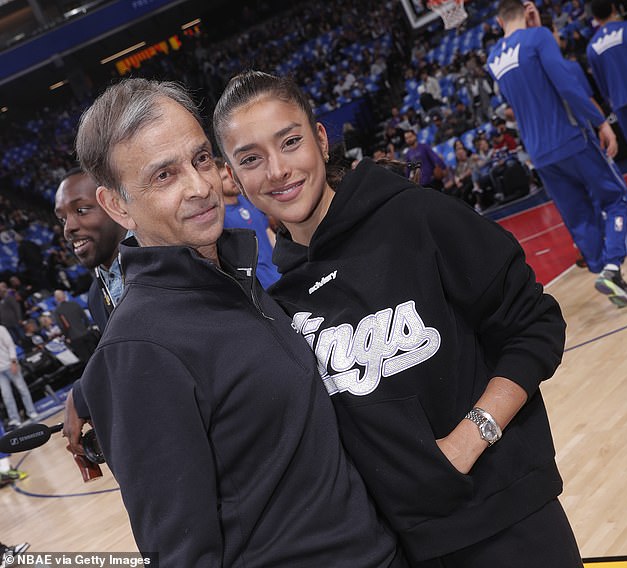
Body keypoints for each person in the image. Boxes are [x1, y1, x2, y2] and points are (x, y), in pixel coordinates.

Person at [213, 70, 580, 568]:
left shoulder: (416, 217)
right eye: (251, 159)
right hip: (401, 551)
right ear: (231, 177)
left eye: (290, 141)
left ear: (320, 139)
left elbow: (535, 324)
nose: (277, 170)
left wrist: (471, 438)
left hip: (509, 520)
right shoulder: (282, 298)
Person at [73, 77, 406, 568]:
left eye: (201, 158)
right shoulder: (139, 351)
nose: (201, 186)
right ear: (117, 205)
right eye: (164, 176)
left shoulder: (235, 280)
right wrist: (99, 380)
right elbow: (181, 553)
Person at [488, 0, 627, 308]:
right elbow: (565, 84)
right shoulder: (537, 37)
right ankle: (612, 267)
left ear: (500, 22)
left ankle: (603, 268)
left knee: (579, 215)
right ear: (525, 13)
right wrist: (600, 123)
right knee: (616, 196)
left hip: (540, 153)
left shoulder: (493, 59)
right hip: (570, 138)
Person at [54, 169, 127, 454]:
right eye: (62, 219)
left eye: (82, 210)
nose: (68, 228)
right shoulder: (97, 295)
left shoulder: (166, 258)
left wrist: (84, 392)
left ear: (116, 204)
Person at [215, 158, 280, 289]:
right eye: (224, 179)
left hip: (279, 271)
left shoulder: (247, 200)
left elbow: (267, 232)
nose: (231, 180)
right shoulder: (219, 217)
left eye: (230, 176)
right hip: (260, 284)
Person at [587, 0, 627, 153]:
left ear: (595, 17)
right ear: (614, 9)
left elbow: (601, 83)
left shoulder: (592, 47)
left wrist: (610, 101)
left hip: (620, 102)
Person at [0, 324, 38, 428]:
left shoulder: (1, 329)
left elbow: (11, 345)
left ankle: (31, 412)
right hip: (0, 372)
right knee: (6, 395)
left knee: (22, 389)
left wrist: (13, 361)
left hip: (10, 365)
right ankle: (15, 419)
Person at [52, 290, 97, 362]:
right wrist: (86, 328)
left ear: (56, 299)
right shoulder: (74, 304)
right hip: (85, 333)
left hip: (75, 338)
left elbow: (63, 326)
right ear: (64, 295)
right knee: (96, 354)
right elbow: (85, 317)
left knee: (88, 360)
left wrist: (67, 337)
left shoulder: (57, 311)